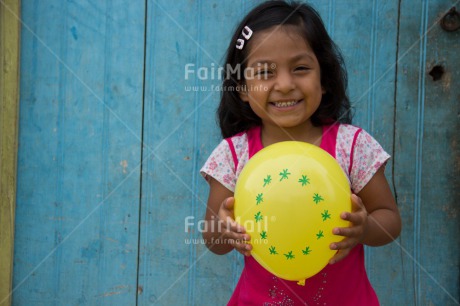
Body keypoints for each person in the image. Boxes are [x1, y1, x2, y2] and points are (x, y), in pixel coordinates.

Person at [200, 1, 402, 305]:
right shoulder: (234, 155)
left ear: (323, 80)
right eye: (265, 71)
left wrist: (364, 228)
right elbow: (213, 240)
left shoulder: (351, 146)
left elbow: (390, 220)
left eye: (301, 68)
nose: (284, 84)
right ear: (241, 87)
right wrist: (224, 231)